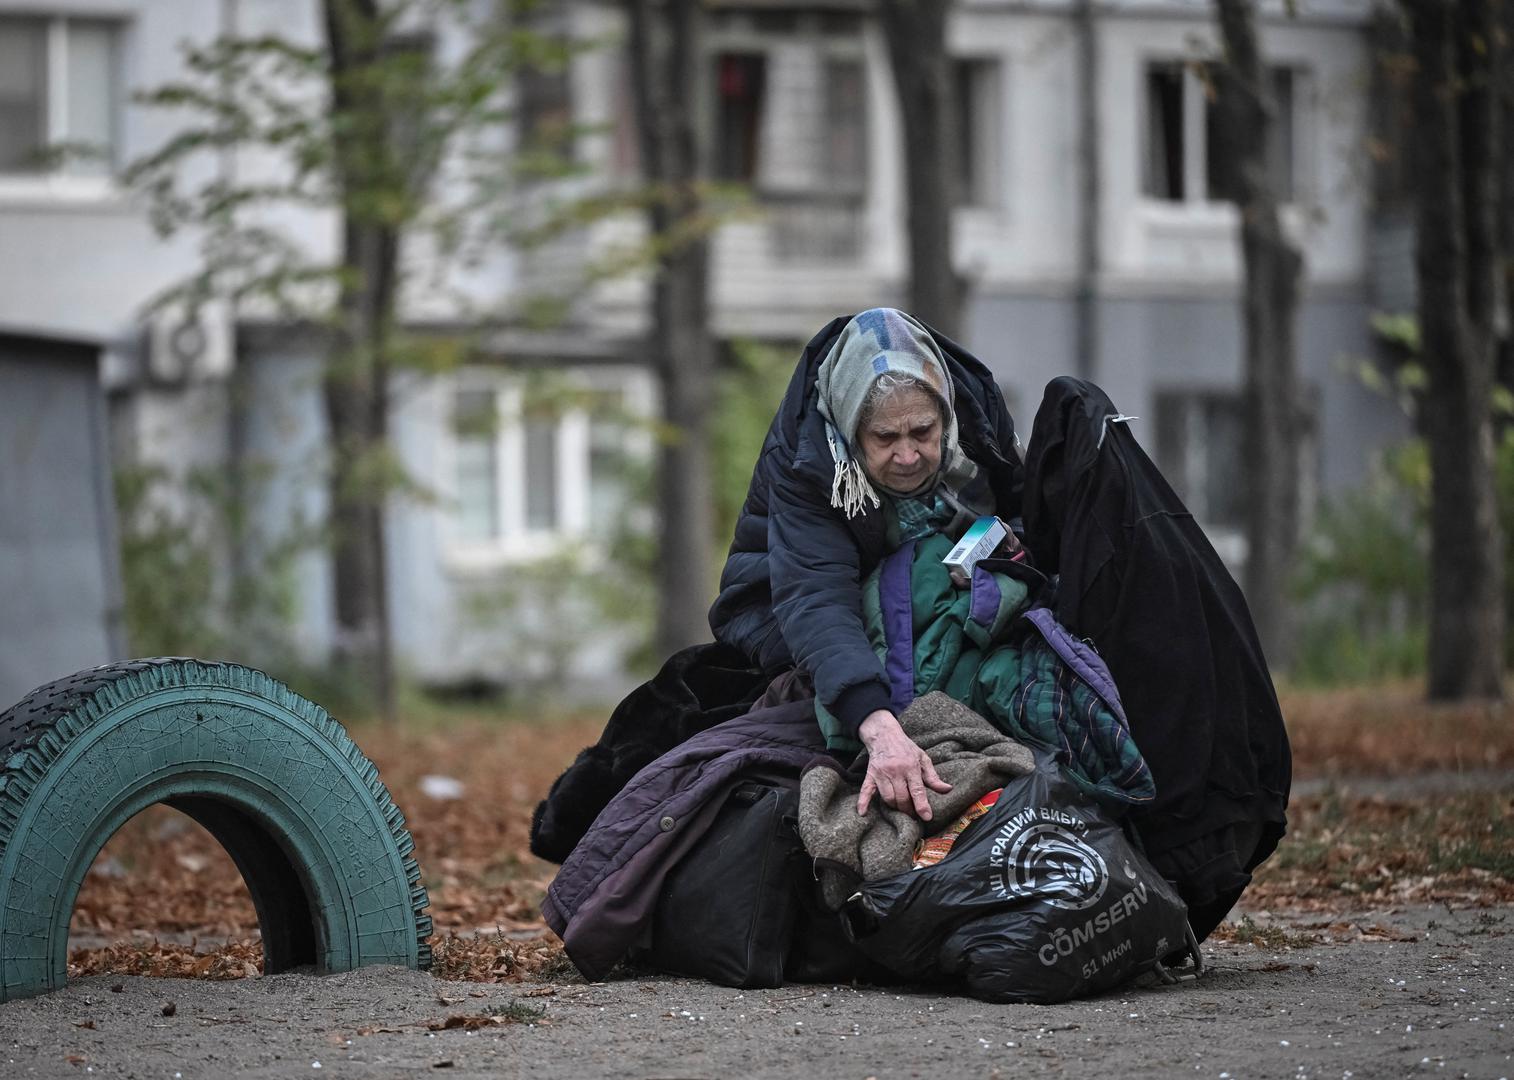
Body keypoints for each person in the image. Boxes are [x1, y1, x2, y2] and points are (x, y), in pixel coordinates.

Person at [708, 308, 1024, 822]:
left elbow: (1026, 510)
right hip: (784, 612)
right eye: (885, 439)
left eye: (923, 432)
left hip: (913, 587)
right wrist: (877, 726)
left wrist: (1005, 544)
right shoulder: (808, 461)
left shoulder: (979, 415)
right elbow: (816, 597)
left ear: (946, 414)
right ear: (851, 430)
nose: (908, 455)